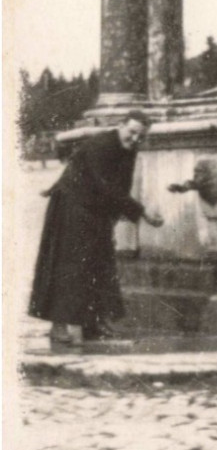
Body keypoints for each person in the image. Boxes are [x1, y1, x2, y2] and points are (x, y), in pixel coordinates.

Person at [29, 110, 163, 344]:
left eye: (140, 136)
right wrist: (141, 212)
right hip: (71, 205)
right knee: (72, 265)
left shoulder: (127, 148)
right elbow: (107, 186)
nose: (134, 139)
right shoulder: (101, 146)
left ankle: (92, 325)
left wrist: (115, 216)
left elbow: (121, 184)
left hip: (93, 209)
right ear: (121, 124)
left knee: (99, 262)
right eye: (132, 132)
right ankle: (65, 329)